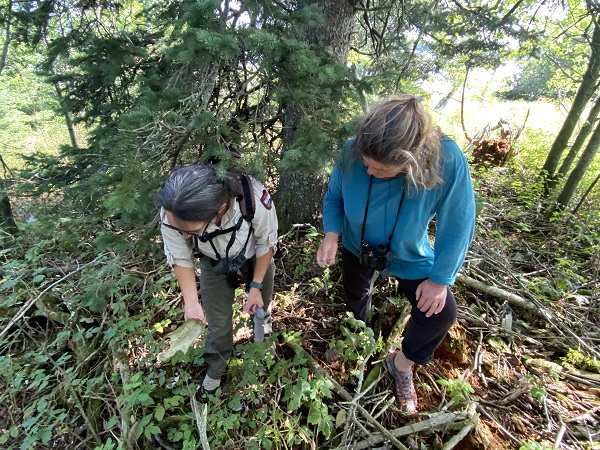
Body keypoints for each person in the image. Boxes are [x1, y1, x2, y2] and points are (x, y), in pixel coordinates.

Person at [316, 96, 475, 412]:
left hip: (408, 253)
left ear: (413, 160)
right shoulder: (351, 150)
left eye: (382, 168)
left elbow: (458, 224)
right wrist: (331, 234)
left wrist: (440, 279)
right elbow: (334, 197)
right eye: (366, 163)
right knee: (355, 294)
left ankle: (401, 364)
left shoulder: (447, 160)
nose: (370, 172)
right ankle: (355, 337)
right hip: (355, 244)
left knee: (439, 315)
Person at [159, 164, 279, 394]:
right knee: (217, 321)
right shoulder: (173, 210)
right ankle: (216, 369)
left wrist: (255, 286)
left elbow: (267, 242)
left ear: (220, 208)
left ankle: (263, 345)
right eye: (180, 230)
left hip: (254, 255)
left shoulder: (252, 196)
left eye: (191, 232)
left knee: (261, 308)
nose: (184, 236)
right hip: (212, 260)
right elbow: (180, 256)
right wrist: (192, 303)